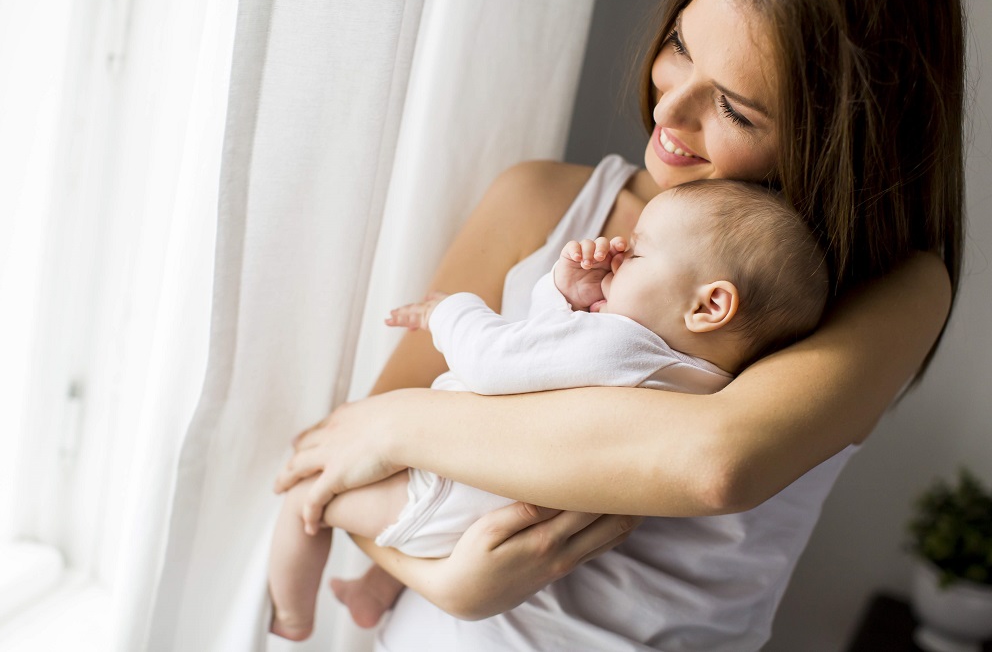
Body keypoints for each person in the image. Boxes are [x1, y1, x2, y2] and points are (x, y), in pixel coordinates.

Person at [273, 0, 964, 649]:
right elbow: (345, 462)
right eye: (679, 46)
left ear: (844, 129)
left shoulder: (885, 289)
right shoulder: (542, 202)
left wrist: (402, 424)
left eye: (736, 110)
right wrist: (443, 581)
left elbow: (712, 463)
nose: (670, 111)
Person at [268, 180, 828, 640]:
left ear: (710, 304)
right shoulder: (708, 386)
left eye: (632, 254)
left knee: (306, 490)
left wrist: (451, 313)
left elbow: (497, 361)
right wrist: (570, 299)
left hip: (441, 493)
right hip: (497, 520)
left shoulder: (619, 344)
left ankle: (291, 619)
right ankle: (374, 589)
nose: (612, 263)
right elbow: (553, 364)